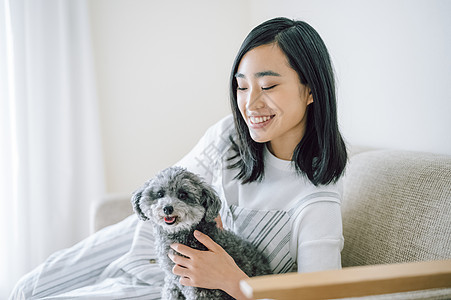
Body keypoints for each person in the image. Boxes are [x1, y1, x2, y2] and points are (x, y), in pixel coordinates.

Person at [10, 17, 347, 300]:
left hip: (180, 291)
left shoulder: (317, 202)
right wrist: (48, 274)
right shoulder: (230, 136)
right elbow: (157, 203)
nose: (250, 104)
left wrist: (234, 280)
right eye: (241, 87)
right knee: (27, 290)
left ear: (311, 90)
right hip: (149, 264)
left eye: (269, 86)